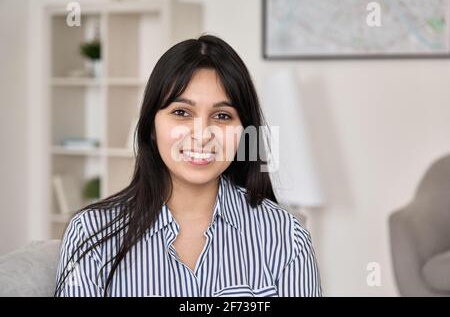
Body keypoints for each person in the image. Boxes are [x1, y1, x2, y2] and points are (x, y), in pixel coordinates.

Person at [54, 34, 322, 297]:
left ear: (244, 133)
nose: (202, 134)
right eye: (181, 113)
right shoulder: (90, 232)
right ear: (151, 126)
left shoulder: (287, 236)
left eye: (222, 116)